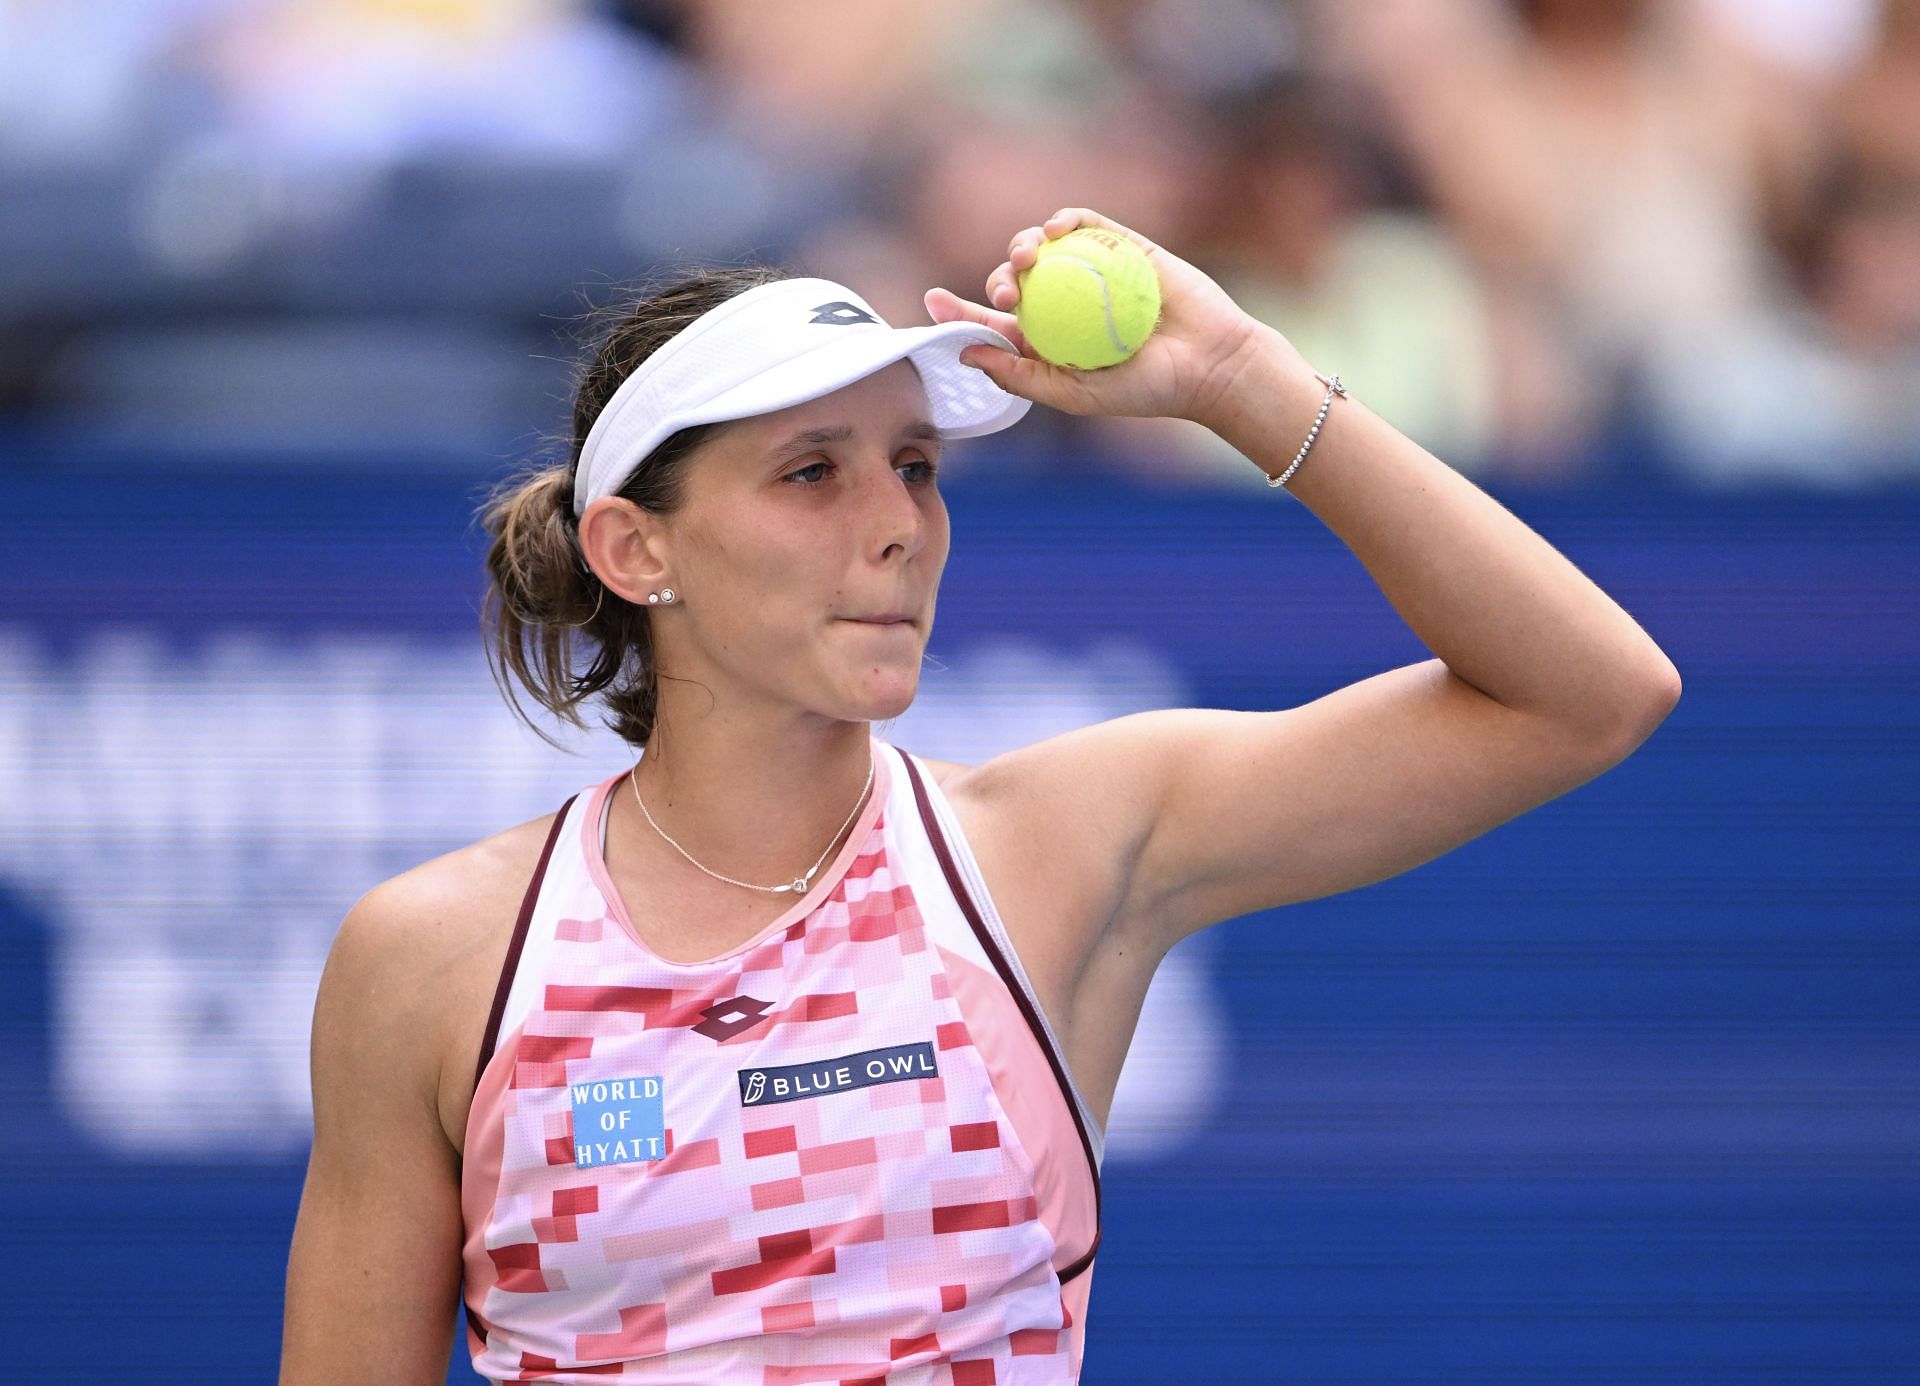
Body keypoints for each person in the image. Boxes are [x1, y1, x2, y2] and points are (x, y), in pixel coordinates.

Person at [279, 207, 1682, 1384]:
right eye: (811, 472)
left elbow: (1589, 691)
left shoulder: (1050, 846)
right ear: (637, 551)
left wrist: (1241, 378)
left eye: (916, 465)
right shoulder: (432, 958)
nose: (898, 522)